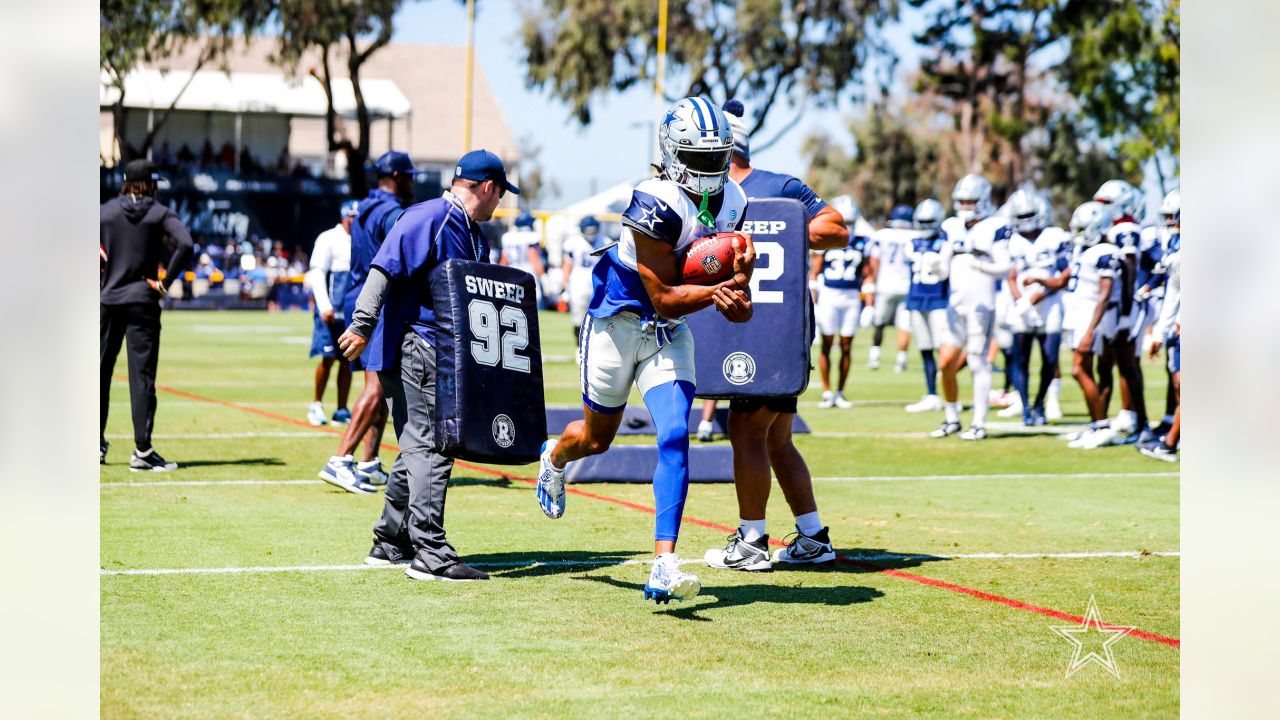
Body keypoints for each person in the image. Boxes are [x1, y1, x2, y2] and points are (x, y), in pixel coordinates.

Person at [535, 97, 756, 603]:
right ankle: (554, 456)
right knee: (594, 440)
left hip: (667, 333)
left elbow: (731, 278)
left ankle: (663, 563)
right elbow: (664, 295)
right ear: (672, 154)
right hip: (619, 324)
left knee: (675, 433)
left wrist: (741, 291)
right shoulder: (653, 199)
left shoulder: (735, 201)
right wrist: (718, 293)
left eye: (718, 158)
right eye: (698, 159)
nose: (710, 170)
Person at [339, 149, 519, 582]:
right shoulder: (430, 217)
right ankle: (430, 551)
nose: (501, 203)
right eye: (500, 194)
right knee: (434, 445)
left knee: (416, 446)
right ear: (488, 187)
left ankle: (390, 541)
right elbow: (382, 270)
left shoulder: (474, 233)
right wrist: (361, 325)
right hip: (415, 347)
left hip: (446, 355)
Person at [702, 98, 848, 574]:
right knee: (776, 439)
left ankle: (751, 541)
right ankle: (813, 536)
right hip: (757, 328)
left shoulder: (776, 188)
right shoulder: (709, 195)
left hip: (771, 330)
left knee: (745, 430)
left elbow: (836, 228)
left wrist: (787, 229)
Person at [318, 151, 416, 493]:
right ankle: (341, 459)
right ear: (399, 177)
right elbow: (403, 244)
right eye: (410, 176)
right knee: (377, 387)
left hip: (361, 297)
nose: (413, 182)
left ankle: (369, 461)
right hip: (378, 304)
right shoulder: (391, 212)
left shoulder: (365, 206)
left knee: (382, 386)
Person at [100, 159, 194, 469]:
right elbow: (185, 244)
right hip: (143, 300)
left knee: (98, 372)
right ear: (149, 183)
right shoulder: (159, 212)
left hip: (108, 299)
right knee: (141, 377)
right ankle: (142, 451)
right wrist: (165, 283)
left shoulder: (106, 211)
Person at [930, 174, 1012, 441]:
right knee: (946, 363)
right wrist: (934, 265)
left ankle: (979, 422)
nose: (966, 206)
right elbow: (943, 272)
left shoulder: (995, 227)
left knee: (978, 363)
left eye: (971, 201)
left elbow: (1005, 268)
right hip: (956, 305)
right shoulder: (951, 226)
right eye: (962, 201)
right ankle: (952, 417)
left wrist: (977, 261)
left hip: (982, 305)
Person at [1002, 191, 1071, 425]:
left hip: (1050, 304)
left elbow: (1064, 276)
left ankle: (1041, 402)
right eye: (1020, 215)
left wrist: (1041, 290)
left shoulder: (1054, 237)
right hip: (1023, 305)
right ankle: (1025, 408)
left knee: (1050, 359)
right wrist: (1022, 300)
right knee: (1020, 359)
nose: (1025, 220)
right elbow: (1011, 277)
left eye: (1029, 215)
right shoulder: (1011, 241)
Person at [1092, 179, 1151, 444]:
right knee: (1115, 364)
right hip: (1122, 304)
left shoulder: (1125, 228)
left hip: (1129, 304)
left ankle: (1142, 423)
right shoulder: (1114, 229)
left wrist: (1127, 314)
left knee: (1128, 365)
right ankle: (1129, 420)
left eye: (1104, 204)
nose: (1099, 208)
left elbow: (1129, 268)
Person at [1061, 201, 1123, 449]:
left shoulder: (1105, 251)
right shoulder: (1084, 251)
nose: (1078, 233)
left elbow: (1104, 295)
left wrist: (1090, 330)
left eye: (1083, 228)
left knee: (1078, 370)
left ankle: (1102, 425)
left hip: (1091, 317)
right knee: (1084, 369)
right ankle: (1095, 424)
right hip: (1079, 314)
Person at [811, 195, 872, 409]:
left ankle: (840, 392)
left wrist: (869, 305)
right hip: (829, 295)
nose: (849, 227)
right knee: (827, 345)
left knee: (847, 347)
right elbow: (815, 273)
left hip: (851, 297)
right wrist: (814, 303)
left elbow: (867, 274)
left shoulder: (863, 242)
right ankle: (827, 392)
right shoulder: (826, 239)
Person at [305, 200, 358, 427]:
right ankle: (316, 404)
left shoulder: (361, 240)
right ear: (344, 217)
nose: (355, 222)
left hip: (350, 311)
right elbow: (318, 273)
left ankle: (342, 408)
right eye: (352, 217)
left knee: (347, 361)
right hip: (330, 310)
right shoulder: (328, 238)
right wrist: (324, 305)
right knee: (327, 358)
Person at [1140, 203, 1180, 462]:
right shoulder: (1175, 246)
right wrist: (1159, 333)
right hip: (1179, 326)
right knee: (1179, 386)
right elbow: (1173, 293)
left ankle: (1169, 443)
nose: (1170, 221)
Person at [903, 198, 950, 413]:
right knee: (925, 348)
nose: (924, 226)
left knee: (943, 348)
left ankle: (946, 393)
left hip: (939, 300)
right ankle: (931, 393)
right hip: (916, 299)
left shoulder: (945, 240)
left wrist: (940, 263)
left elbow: (946, 273)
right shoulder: (911, 242)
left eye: (928, 221)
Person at [866, 204, 916, 373]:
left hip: (885, 285)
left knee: (879, 324)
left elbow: (874, 262)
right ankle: (901, 360)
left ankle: (874, 356)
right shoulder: (915, 236)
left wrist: (872, 283)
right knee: (904, 324)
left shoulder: (881, 236)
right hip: (906, 285)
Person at [560, 215, 605, 343]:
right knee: (578, 317)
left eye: (593, 230)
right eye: (588, 230)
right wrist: (564, 285)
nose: (591, 233)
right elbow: (567, 264)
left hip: (598, 283)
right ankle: (578, 346)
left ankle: (595, 346)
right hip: (578, 283)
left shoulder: (604, 241)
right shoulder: (574, 243)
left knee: (599, 318)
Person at [501, 211, 546, 307]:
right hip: (528, 271)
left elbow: (504, 261)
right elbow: (533, 257)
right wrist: (543, 277)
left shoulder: (508, 237)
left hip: (511, 272)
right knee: (532, 304)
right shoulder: (532, 236)